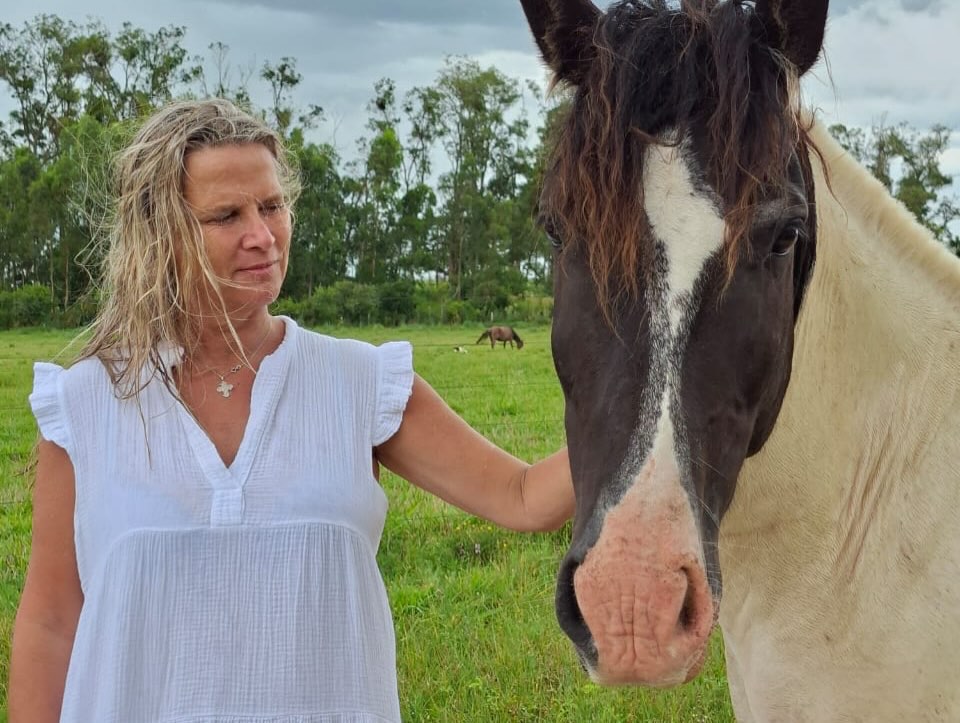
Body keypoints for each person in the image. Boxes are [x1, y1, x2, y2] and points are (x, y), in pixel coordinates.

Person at [8, 98, 573, 723]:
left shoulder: (361, 384)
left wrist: (658, 418)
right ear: (160, 234)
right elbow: (52, 622)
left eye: (272, 206)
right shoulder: (86, 402)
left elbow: (524, 498)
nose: (262, 235)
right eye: (227, 215)